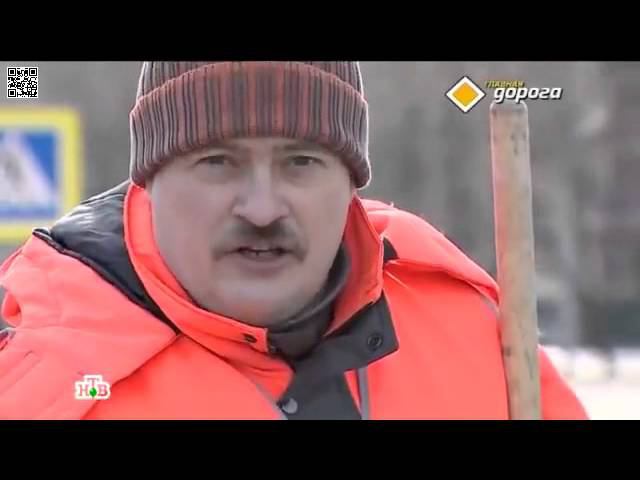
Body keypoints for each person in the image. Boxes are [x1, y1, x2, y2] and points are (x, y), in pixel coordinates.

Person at [0, 61, 588, 420]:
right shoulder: (46, 385)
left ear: (351, 183)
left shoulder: (473, 330)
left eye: (300, 161)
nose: (261, 208)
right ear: (149, 184)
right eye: (217, 162)